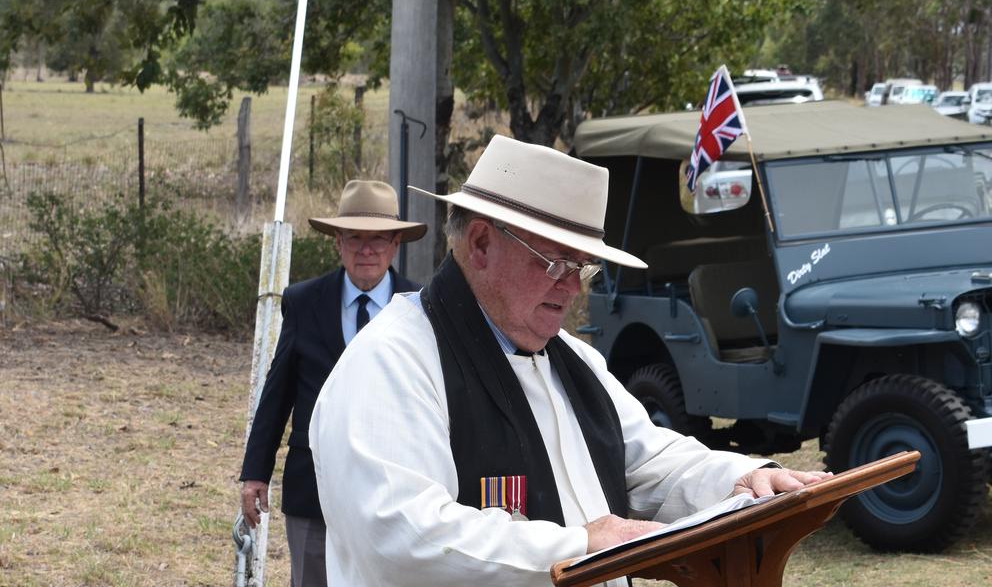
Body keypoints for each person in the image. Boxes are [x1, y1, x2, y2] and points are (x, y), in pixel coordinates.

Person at [309, 136, 828, 587]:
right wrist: (580, 544)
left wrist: (743, 480)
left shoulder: (573, 360)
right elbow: (403, 537)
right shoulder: (390, 363)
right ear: (482, 243)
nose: (570, 286)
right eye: (555, 261)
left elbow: (649, 461)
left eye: (583, 267)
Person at [239, 179, 426, 587]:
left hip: (396, 488)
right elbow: (278, 393)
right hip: (314, 487)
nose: (367, 250)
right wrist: (256, 471)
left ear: (396, 244)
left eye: (378, 239)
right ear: (337, 243)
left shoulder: (419, 308)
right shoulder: (303, 302)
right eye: (355, 238)